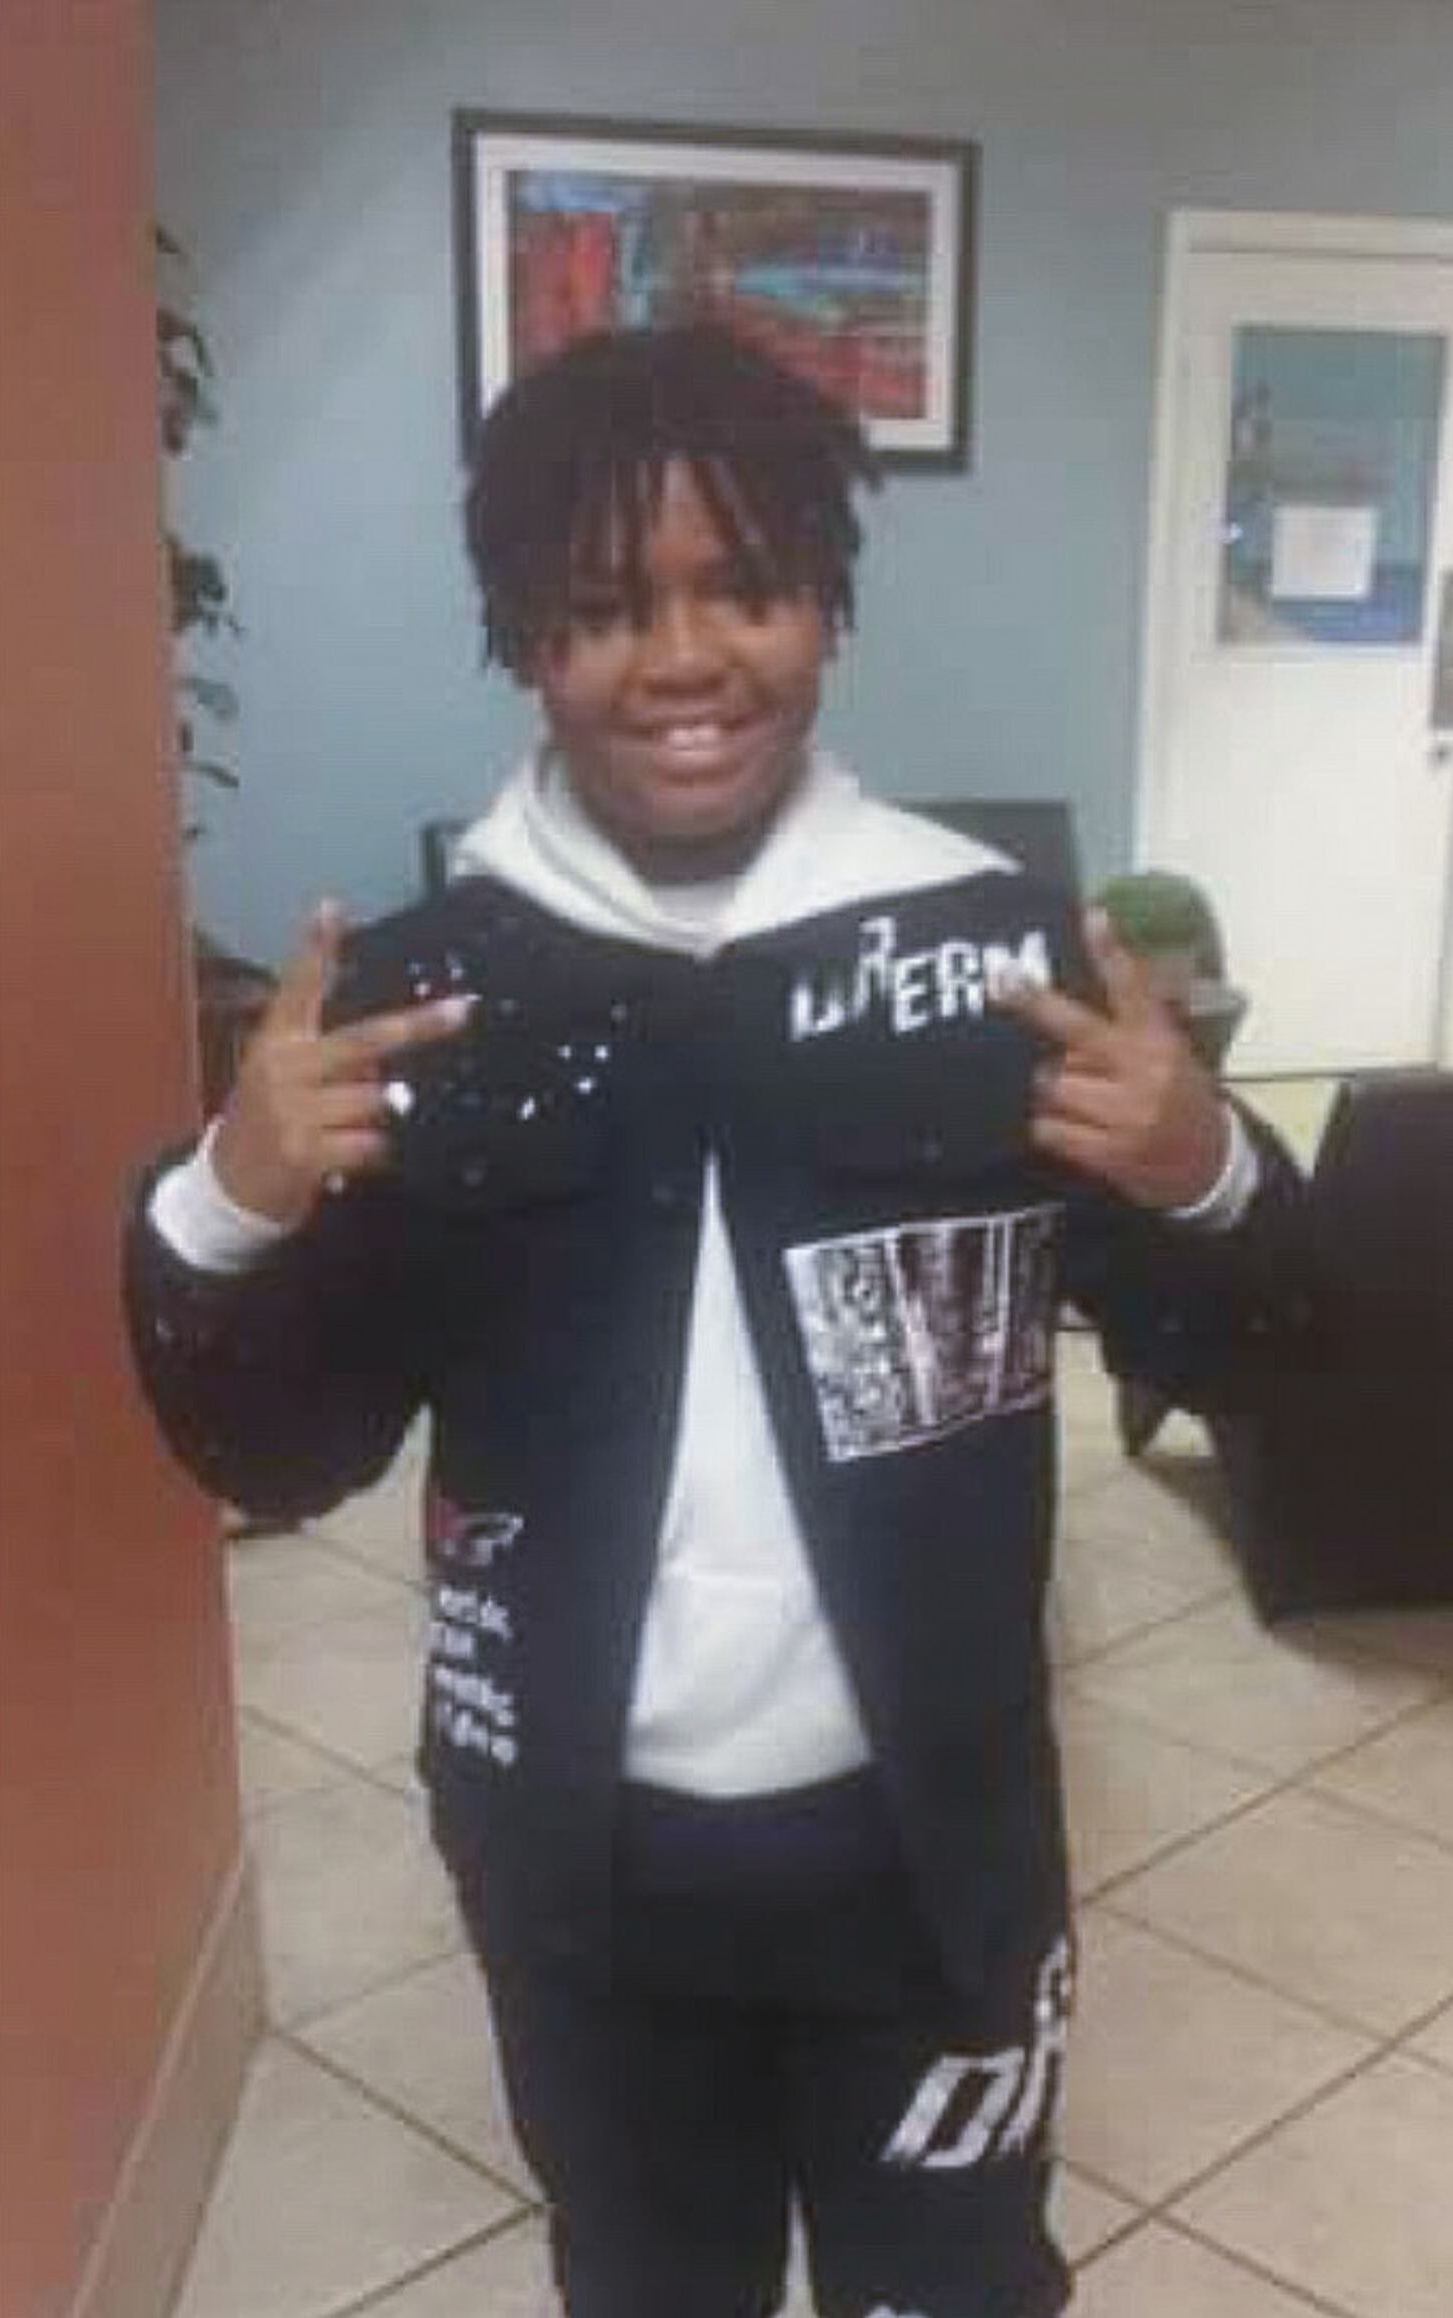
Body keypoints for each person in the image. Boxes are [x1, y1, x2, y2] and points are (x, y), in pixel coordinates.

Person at [125, 324, 1305, 2318]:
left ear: (821, 602)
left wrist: (1208, 1168)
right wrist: (226, 1199)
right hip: (579, 1861)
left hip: (932, 1857)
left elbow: (1270, 1354)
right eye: (602, 609)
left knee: (952, 2287)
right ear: (525, 641)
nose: (679, 659)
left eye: (741, 588)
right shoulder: (431, 1000)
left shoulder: (984, 955)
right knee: (649, 2283)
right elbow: (276, 1450)